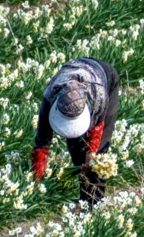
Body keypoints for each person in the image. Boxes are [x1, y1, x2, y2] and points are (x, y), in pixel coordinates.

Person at [32, 57, 120, 205]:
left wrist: (90, 156)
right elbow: (42, 143)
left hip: (105, 77)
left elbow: (97, 131)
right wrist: (36, 179)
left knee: (97, 158)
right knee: (78, 153)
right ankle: (84, 199)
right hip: (77, 69)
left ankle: (93, 203)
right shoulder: (50, 96)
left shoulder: (99, 98)